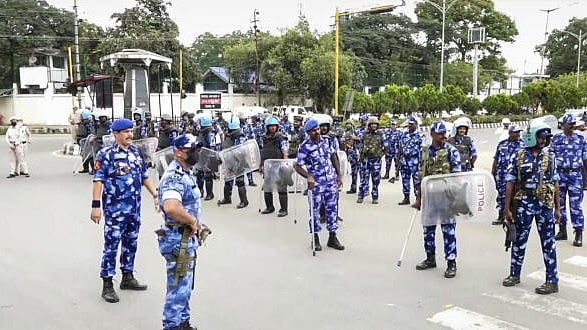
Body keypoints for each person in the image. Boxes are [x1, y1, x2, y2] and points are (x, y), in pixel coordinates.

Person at [90, 118, 159, 303]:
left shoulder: (136, 152)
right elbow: (98, 180)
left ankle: (127, 276)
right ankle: (107, 284)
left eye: (131, 131)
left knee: (131, 243)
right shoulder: (106, 154)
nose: (130, 135)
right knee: (111, 246)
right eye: (126, 132)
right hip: (114, 211)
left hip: (134, 210)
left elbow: (144, 176)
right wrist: (96, 206)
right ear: (116, 134)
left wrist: (155, 194)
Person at [156, 133, 208, 330]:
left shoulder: (186, 172)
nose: (196, 153)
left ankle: (183, 322)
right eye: (192, 150)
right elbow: (171, 207)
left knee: (185, 285)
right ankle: (171, 326)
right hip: (178, 238)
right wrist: (192, 220)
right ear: (179, 153)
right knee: (178, 286)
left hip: (185, 237)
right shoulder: (174, 177)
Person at [502, 123, 560, 294]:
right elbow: (510, 182)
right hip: (524, 203)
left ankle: (552, 280)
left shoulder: (550, 157)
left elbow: (555, 182)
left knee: (548, 242)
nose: (544, 140)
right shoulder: (519, 156)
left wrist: (558, 208)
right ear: (532, 137)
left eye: (546, 138)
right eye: (541, 137)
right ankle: (514, 274)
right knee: (519, 240)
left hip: (544, 204)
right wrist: (507, 209)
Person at [412, 121, 462, 278]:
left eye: (444, 134)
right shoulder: (425, 151)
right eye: (440, 134)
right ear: (432, 134)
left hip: (446, 198)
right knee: (428, 229)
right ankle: (430, 258)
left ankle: (451, 263)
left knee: (448, 231)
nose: (443, 137)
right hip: (430, 197)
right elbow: (421, 176)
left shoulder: (451, 151)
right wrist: (419, 198)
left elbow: (457, 176)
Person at [294, 118, 344, 251]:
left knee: (332, 210)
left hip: (330, 182)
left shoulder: (327, 141)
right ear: (308, 133)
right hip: (316, 184)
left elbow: (334, 157)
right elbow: (297, 166)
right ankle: (314, 238)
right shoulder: (305, 146)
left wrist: (339, 175)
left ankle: (332, 238)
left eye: (317, 129)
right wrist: (308, 176)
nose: (317, 132)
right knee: (314, 211)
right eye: (313, 131)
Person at [551, 114, 586, 247]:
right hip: (560, 175)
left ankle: (578, 233)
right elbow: (551, 157)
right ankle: (562, 230)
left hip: (575, 175)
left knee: (576, 205)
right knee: (559, 204)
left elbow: (585, 159)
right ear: (563, 125)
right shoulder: (556, 139)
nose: (572, 126)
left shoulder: (580, 139)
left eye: (573, 124)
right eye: (569, 124)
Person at [491, 125, 525, 225]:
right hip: (502, 175)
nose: (518, 134)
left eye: (519, 132)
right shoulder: (502, 144)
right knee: (502, 195)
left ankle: (516, 216)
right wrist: (493, 171)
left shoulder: (523, 144)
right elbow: (496, 158)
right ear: (510, 133)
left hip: (517, 176)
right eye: (515, 132)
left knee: (517, 195)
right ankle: (501, 215)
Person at [259, 116, 289, 217]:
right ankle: (269, 207)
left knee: (281, 188)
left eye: (274, 126)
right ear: (267, 127)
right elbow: (263, 152)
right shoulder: (264, 138)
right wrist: (261, 165)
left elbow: (285, 151)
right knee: (267, 188)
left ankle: (284, 209)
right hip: (268, 166)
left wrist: (285, 164)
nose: (272, 128)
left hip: (279, 166)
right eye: (270, 126)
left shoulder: (280, 137)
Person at [217, 117, 250, 208]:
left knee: (240, 181)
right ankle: (227, 198)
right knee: (228, 180)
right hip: (229, 160)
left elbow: (241, 150)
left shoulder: (241, 136)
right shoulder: (228, 134)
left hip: (239, 161)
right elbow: (225, 146)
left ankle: (244, 201)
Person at [357, 117, 386, 204]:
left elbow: (386, 146)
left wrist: (381, 155)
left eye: (375, 124)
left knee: (376, 179)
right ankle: (360, 196)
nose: (374, 125)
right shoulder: (364, 134)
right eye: (372, 124)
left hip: (376, 160)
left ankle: (375, 197)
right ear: (369, 125)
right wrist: (360, 156)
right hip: (366, 159)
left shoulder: (381, 134)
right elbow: (361, 145)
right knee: (363, 179)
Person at [397, 116, 423, 205]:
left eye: (412, 124)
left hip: (415, 161)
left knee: (417, 181)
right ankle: (406, 198)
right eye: (409, 124)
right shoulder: (404, 135)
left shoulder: (420, 135)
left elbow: (423, 150)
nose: (410, 126)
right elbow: (401, 147)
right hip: (405, 161)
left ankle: (418, 199)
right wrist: (398, 159)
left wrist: (422, 163)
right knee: (405, 180)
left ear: (416, 124)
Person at [196, 115, 217, 200]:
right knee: (199, 174)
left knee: (208, 175)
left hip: (209, 155)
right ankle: (200, 191)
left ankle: (210, 193)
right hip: (201, 155)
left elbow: (211, 146)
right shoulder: (201, 132)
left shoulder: (210, 133)